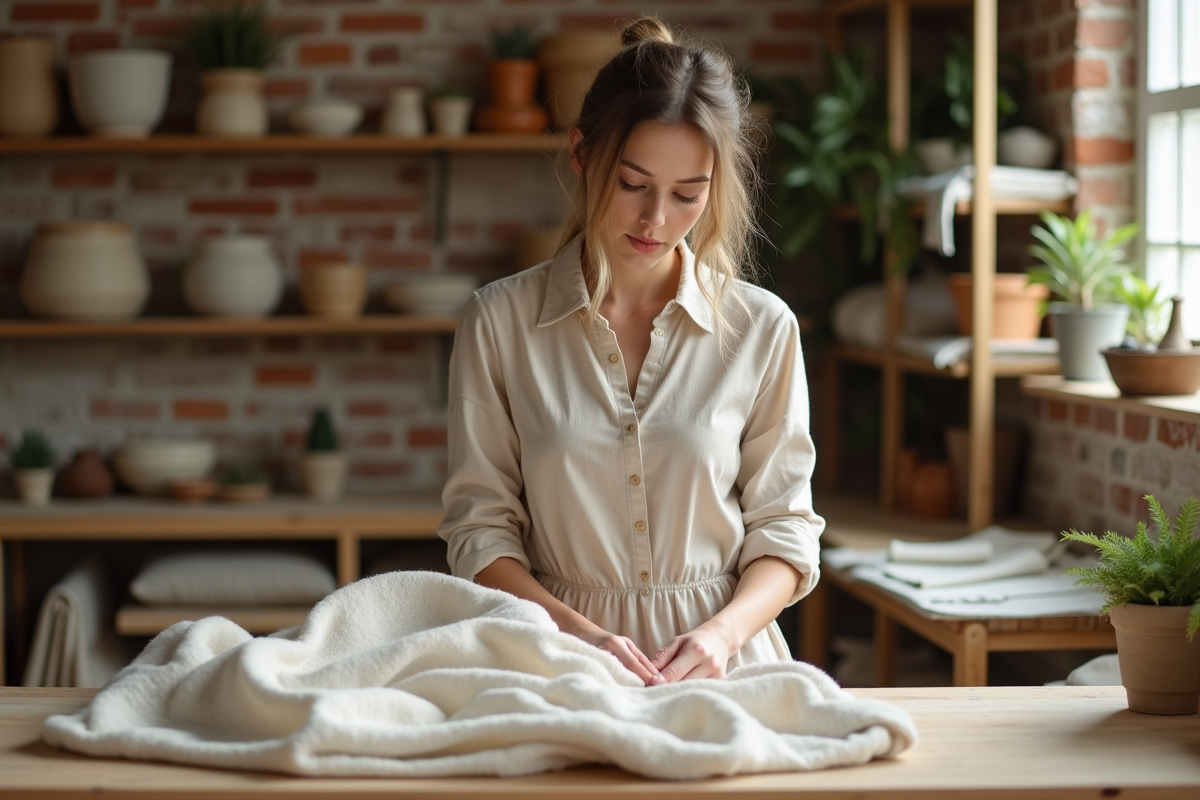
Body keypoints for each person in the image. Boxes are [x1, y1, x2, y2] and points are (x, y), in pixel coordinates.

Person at [437, 17, 824, 686]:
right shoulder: (498, 322)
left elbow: (785, 530)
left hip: (724, 668)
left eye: (687, 194)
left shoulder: (763, 328)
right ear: (581, 155)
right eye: (632, 184)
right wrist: (581, 637)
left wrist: (721, 636)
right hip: (558, 664)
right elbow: (480, 533)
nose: (656, 220)